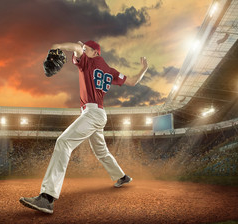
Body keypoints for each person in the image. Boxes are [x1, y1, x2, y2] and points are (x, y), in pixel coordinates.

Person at [19, 40, 148, 214]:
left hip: (92, 113)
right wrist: (144, 69)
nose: (82, 50)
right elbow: (132, 81)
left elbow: (76, 48)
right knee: (101, 151)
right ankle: (121, 177)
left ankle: (47, 198)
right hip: (99, 114)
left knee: (63, 142)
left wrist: (56, 46)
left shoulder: (89, 60)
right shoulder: (110, 70)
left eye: (86, 48)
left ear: (95, 52)